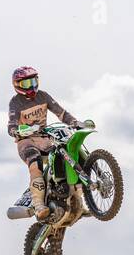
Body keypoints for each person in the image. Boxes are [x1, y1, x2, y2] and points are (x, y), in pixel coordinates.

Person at [7, 66, 81, 221]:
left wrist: (74, 122)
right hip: (26, 141)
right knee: (35, 165)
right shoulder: (15, 103)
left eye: (34, 81)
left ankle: (78, 200)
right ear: (18, 85)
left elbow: (61, 113)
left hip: (45, 138)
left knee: (66, 155)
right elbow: (11, 126)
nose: (32, 86)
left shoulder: (43, 96)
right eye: (27, 83)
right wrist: (18, 131)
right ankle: (39, 204)